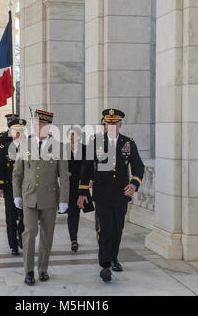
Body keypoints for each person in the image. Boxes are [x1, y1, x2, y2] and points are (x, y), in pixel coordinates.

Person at [77, 109, 145, 283]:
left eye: (115, 123)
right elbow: (86, 167)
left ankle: (114, 257)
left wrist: (134, 183)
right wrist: (83, 191)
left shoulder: (128, 143)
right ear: (104, 124)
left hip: (121, 195)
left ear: (120, 125)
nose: (112, 126)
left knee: (117, 229)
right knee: (105, 229)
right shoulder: (95, 142)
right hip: (102, 194)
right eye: (109, 123)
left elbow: (138, 167)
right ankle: (105, 263)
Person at [12, 109, 69, 286]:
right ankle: (28, 270)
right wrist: (16, 195)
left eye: (41, 124)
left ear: (48, 126)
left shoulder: (58, 146)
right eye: (35, 124)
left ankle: (43, 268)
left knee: (47, 235)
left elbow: (64, 176)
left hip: (50, 198)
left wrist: (64, 199)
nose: (37, 127)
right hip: (29, 196)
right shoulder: (25, 145)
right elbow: (17, 173)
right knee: (29, 234)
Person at [59, 126, 94, 253]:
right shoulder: (64, 149)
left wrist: (91, 179)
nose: (71, 137)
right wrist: (63, 173)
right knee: (72, 213)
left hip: (81, 186)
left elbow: (91, 166)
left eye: (74, 134)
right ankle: (73, 240)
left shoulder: (86, 149)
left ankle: (76, 238)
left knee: (77, 212)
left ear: (79, 136)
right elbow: (57, 166)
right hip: (68, 186)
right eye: (70, 134)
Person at [0, 118, 27, 256]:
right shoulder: (5, 148)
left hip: (26, 188)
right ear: (12, 133)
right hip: (9, 188)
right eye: (16, 131)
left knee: (25, 217)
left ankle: (22, 238)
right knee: (11, 217)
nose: (19, 134)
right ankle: (13, 244)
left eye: (21, 131)